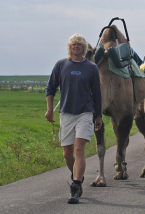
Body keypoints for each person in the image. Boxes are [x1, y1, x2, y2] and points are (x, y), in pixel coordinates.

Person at [45, 33, 102, 204]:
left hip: (85, 113)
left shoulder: (91, 68)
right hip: (66, 113)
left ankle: (75, 187)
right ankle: (78, 174)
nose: (76, 46)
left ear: (84, 48)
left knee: (79, 150)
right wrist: (50, 110)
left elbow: (97, 94)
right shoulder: (61, 65)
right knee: (67, 154)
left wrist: (97, 115)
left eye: (79, 44)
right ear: (70, 47)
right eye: (73, 44)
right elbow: (50, 88)